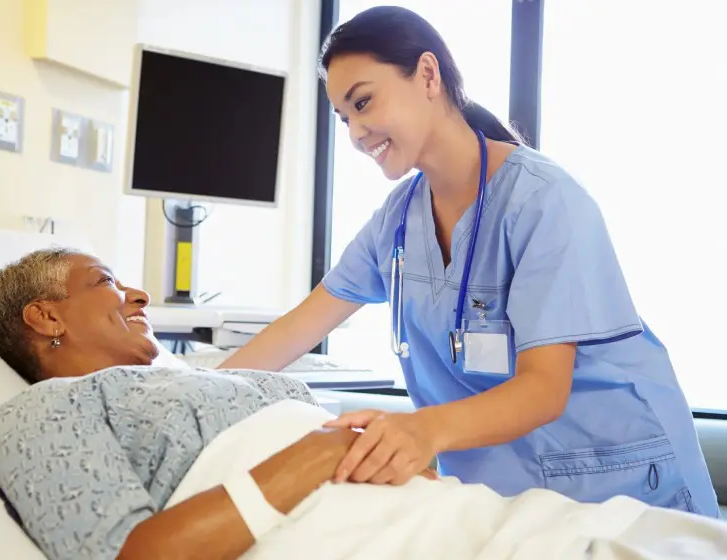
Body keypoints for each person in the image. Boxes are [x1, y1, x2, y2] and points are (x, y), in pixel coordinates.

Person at [218, 6, 720, 518]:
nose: (355, 132)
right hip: (506, 498)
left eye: (364, 102)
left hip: (623, 483)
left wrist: (423, 430)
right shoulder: (397, 220)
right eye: (345, 117)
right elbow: (297, 328)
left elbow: (544, 389)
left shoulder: (545, 201)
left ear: (429, 75)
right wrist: (201, 391)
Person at [0, 249, 727, 560]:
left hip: (465, 518)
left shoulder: (199, 377)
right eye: (106, 281)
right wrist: (322, 452)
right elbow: (133, 555)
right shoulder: (45, 413)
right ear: (45, 318)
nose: (136, 293)